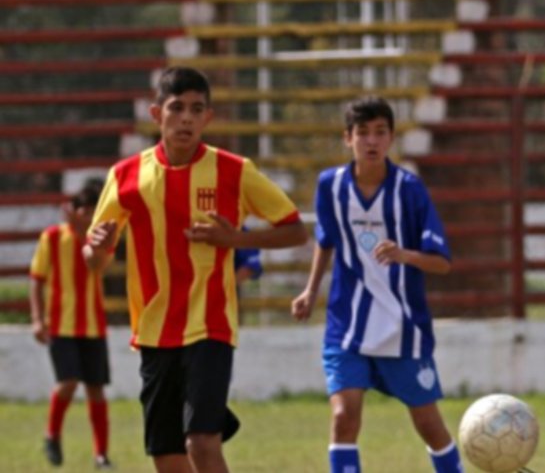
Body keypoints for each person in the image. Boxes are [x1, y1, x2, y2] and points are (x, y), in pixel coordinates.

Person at [84, 66, 309, 473]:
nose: (186, 117)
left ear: (208, 117)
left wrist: (236, 240)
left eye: (196, 109)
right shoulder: (126, 176)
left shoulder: (234, 170)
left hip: (211, 325)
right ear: (157, 114)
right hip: (154, 331)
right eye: (177, 108)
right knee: (167, 458)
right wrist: (95, 250)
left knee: (202, 443)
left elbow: (295, 231)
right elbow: (95, 261)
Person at [291, 96, 463, 473]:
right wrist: (310, 289)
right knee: (343, 416)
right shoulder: (330, 186)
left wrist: (406, 255)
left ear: (391, 139)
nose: (372, 141)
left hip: (403, 328)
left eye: (380, 132)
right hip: (347, 324)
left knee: (429, 425)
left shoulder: (410, 191)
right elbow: (326, 240)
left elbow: (442, 263)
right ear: (347, 138)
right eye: (363, 133)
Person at [29, 182, 114, 469]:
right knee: (67, 383)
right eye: (85, 211)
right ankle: (52, 434)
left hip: (93, 326)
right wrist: (38, 319)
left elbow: (96, 266)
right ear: (75, 211)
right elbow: (36, 279)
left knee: (96, 390)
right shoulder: (52, 237)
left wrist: (84, 236)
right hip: (61, 326)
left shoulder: (101, 242)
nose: (89, 218)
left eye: (94, 213)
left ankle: (101, 455)